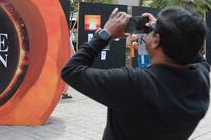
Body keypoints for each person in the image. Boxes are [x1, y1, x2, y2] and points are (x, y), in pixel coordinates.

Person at [61, 7, 210, 140]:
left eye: (152, 32)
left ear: (156, 41)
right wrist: (166, 30)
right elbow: (200, 60)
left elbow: (70, 71)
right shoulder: (200, 79)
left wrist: (105, 34)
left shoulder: (133, 83)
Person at [62, 32, 75, 99]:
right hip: (67, 60)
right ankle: (65, 93)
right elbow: (71, 50)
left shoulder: (62, 38)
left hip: (62, 59)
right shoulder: (67, 39)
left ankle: (63, 92)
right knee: (67, 77)